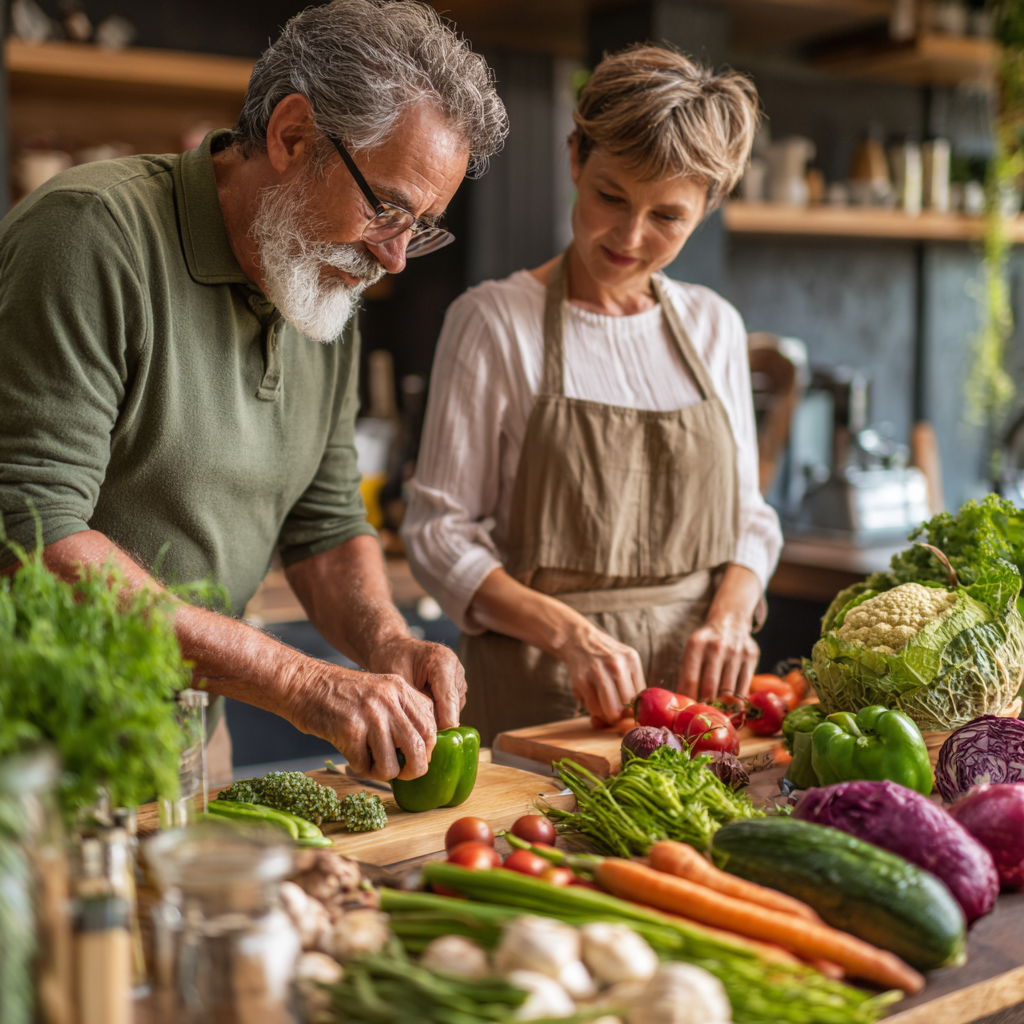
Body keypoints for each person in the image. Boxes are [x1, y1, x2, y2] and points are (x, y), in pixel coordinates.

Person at [0, 0, 508, 781]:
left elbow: (327, 524)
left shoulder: (323, 285)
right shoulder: (91, 236)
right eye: (388, 209)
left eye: (423, 224)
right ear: (292, 134)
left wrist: (388, 642)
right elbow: (31, 537)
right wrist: (299, 680)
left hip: (186, 744)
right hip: (31, 759)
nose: (399, 257)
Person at [402, 45, 782, 744]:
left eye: (667, 217)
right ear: (576, 157)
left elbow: (748, 518)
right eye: (611, 196)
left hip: (699, 706)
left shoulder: (713, 326)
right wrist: (571, 635)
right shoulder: (491, 321)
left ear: (706, 209)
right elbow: (437, 535)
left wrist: (730, 617)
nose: (630, 237)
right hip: (544, 695)